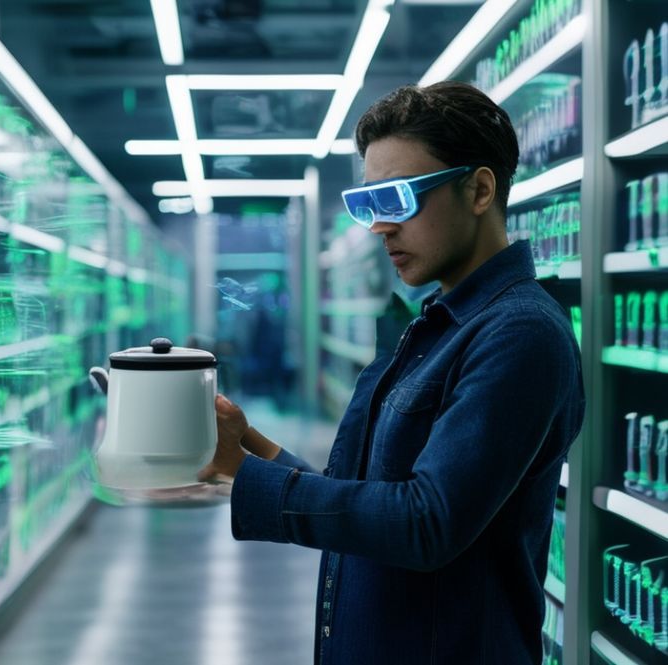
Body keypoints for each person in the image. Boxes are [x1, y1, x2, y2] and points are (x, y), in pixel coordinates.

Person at [198, 81, 585, 664]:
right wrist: (248, 449)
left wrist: (241, 474)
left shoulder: (519, 333)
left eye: (398, 199)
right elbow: (372, 502)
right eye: (368, 204)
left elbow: (425, 522)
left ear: (479, 190)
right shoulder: (434, 325)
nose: (378, 227)